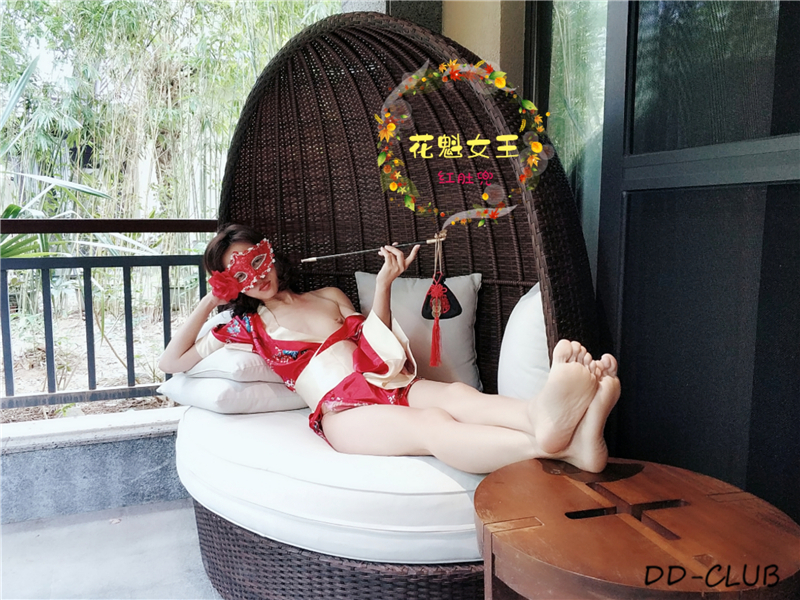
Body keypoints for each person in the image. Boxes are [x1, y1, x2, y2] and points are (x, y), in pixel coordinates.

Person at [159, 223, 620, 474]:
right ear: (230, 284)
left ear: (271, 254)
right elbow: (171, 362)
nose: (256, 276)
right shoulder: (246, 327)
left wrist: (385, 284)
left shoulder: (328, 297)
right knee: (433, 424)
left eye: (257, 261)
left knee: (458, 396)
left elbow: (374, 345)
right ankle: (553, 447)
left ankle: (548, 420)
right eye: (238, 274)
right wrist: (210, 301)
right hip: (343, 412)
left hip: (386, 381)